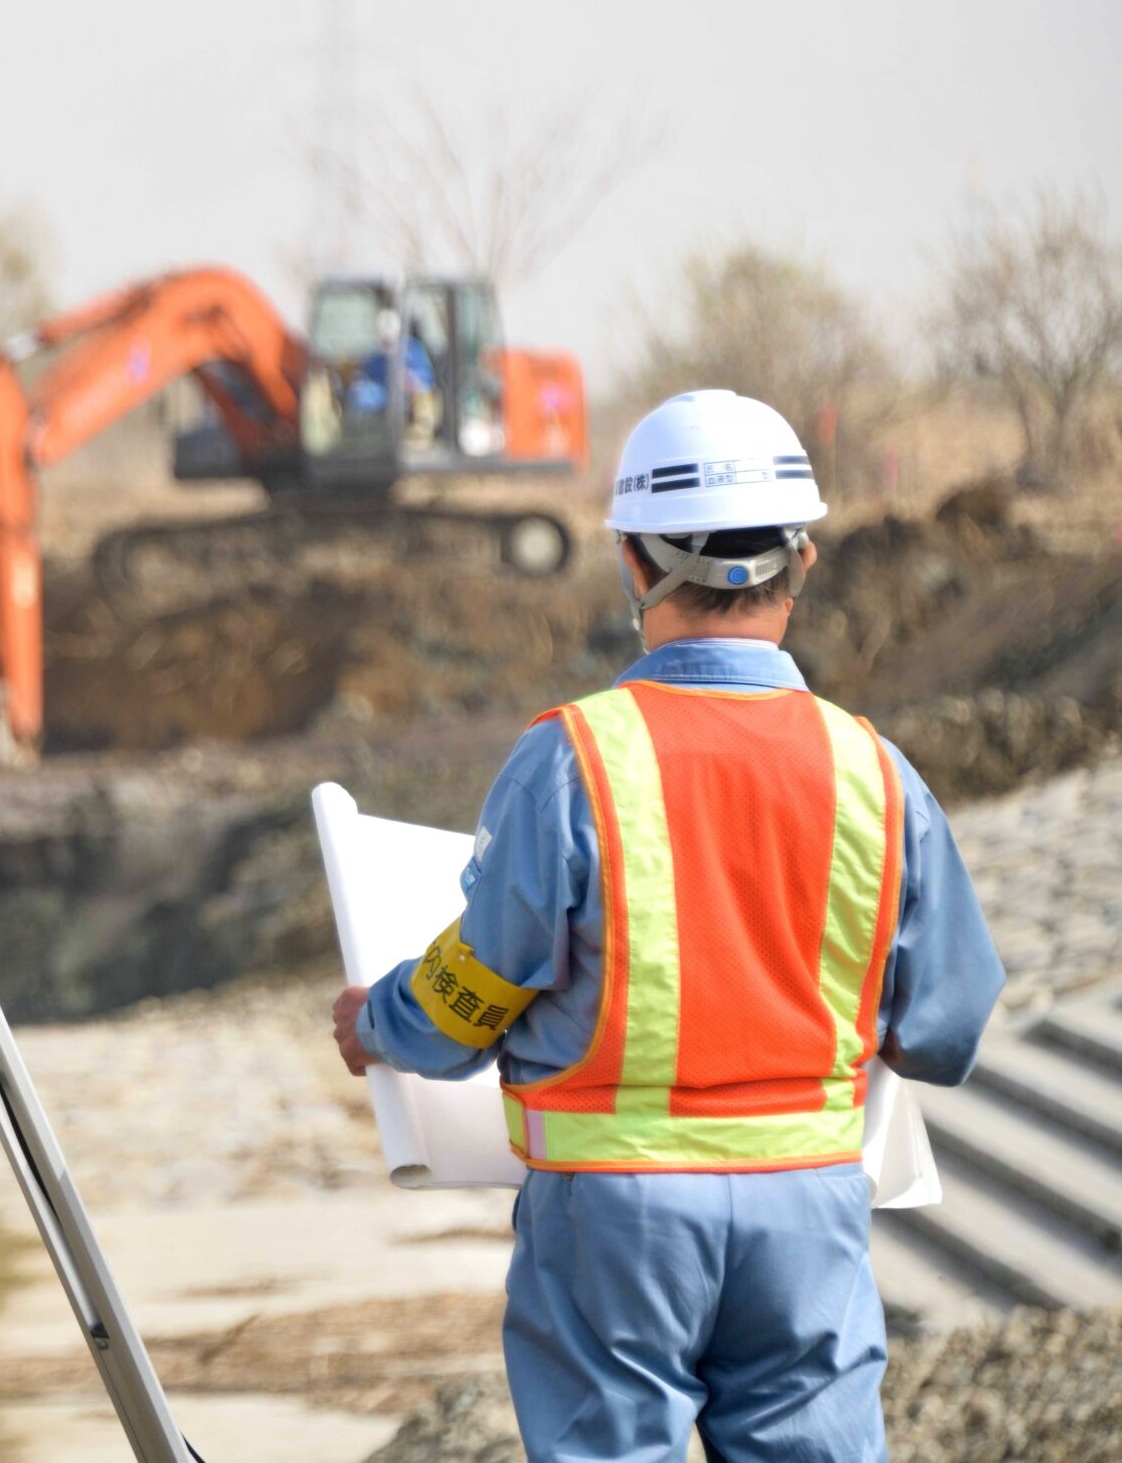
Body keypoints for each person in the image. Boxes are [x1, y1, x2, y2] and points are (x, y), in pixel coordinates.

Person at [330, 389, 1002, 1462]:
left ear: (632, 565)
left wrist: (381, 1024)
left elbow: (473, 993)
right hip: (807, 1212)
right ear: (806, 562)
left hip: (612, 1220)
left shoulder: (570, 761)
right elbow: (948, 1027)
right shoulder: (877, 773)